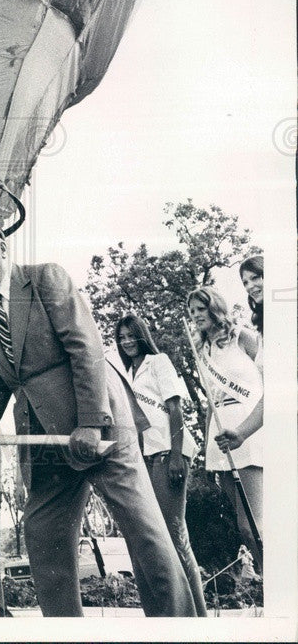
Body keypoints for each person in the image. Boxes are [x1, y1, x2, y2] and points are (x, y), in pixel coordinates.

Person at [0, 215, 197, 617]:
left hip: (99, 427)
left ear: (1, 244)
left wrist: (90, 422)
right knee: (42, 533)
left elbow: (86, 347)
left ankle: (181, 628)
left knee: (147, 537)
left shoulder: (45, 278)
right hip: (47, 442)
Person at [115, 314, 207, 615]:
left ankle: (198, 616)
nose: (127, 341)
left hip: (170, 453)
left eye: (131, 335)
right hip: (145, 457)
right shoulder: (128, 372)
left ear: (141, 335)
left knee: (174, 532)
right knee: (156, 537)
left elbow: (174, 408)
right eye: (122, 337)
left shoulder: (159, 362)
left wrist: (177, 454)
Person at [187, 286, 263, 567]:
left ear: (215, 307)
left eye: (201, 308)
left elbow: (275, 378)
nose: (195, 315)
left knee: (254, 525)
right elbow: (210, 399)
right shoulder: (202, 349)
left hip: (250, 428)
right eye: (192, 311)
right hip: (221, 434)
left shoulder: (242, 336)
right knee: (244, 529)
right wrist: (208, 451)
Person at [214, 257, 264, 453]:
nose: (250, 286)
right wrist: (241, 433)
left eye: (256, 277)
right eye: (245, 282)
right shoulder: (261, 333)